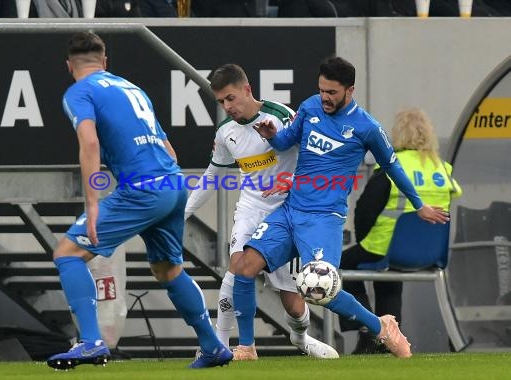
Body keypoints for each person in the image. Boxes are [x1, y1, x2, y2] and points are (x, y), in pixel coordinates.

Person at [232, 56, 450, 359]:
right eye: (321, 90)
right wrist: (272, 137)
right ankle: (247, 347)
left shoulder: (367, 127)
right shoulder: (309, 107)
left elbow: (393, 167)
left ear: (350, 90)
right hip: (290, 210)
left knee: (322, 290)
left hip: (324, 220)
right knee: (244, 267)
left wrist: (419, 205)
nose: (324, 98)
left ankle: (382, 327)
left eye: (332, 92)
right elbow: (286, 142)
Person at [46, 31, 232, 370]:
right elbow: (167, 148)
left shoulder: (79, 91)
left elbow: (89, 144)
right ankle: (212, 345)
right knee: (167, 268)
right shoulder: (132, 88)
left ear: (69, 66)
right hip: (173, 182)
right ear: (105, 61)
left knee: (68, 253)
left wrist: (92, 204)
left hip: (143, 188)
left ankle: (90, 342)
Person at [185, 64, 339, 360]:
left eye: (230, 98)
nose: (227, 107)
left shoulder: (282, 117)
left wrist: (294, 182)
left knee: (293, 303)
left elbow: (315, 157)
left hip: (286, 211)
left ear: (247, 89)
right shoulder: (226, 133)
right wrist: (183, 213)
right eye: (220, 102)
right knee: (237, 267)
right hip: (251, 208)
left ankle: (300, 336)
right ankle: (227, 345)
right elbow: (213, 175)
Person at [339, 108, 462, 354]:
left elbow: (364, 210)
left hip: (386, 246)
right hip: (430, 252)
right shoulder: (443, 169)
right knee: (390, 275)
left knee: (339, 263)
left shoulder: (392, 166)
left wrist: (365, 239)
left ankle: (368, 329)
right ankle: (388, 340)